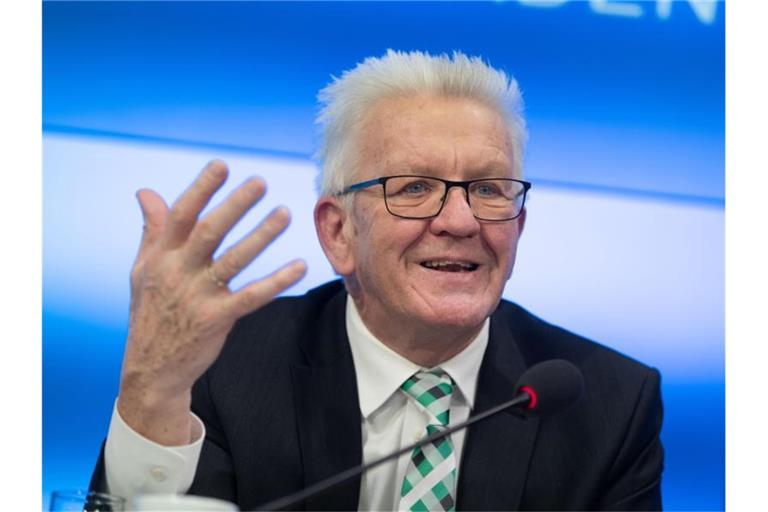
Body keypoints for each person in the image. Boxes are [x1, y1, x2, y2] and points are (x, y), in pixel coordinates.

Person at [89, 50, 663, 511]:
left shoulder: (608, 404)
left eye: (489, 189)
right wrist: (153, 396)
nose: (460, 221)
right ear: (339, 233)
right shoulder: (227, 362)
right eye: (414, 187)